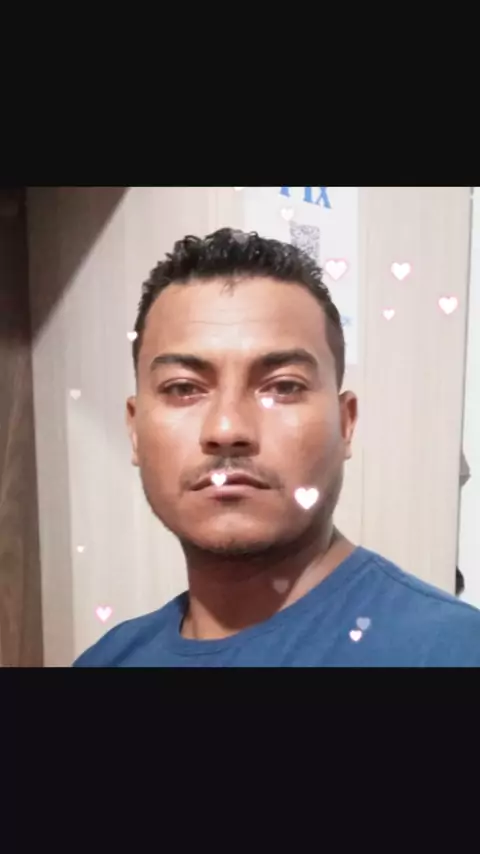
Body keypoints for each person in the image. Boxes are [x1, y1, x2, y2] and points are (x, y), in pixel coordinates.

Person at [73, 228, 480, 667]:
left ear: (346, 423)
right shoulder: (107, 660)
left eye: (283, 386)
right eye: (183, 388)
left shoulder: (452, 651)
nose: (227, 428)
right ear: (134, 429)